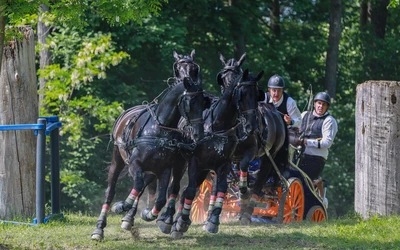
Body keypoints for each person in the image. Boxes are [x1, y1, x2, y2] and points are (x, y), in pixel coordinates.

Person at [298, 92, 338, 200]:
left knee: (305, 185)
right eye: (319, 103)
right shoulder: (304, 114)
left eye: (324, 105)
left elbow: (327, 143)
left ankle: (320, 185)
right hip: (300, 154)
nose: (321, 106)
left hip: (316, 158)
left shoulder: (329, 121)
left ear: (327, 107)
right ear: (314, 104)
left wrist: (307, 142)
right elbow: (295, 127)